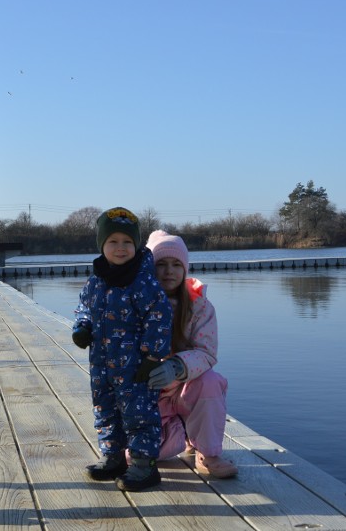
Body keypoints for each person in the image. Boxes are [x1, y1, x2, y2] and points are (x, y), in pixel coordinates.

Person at [72, 207, 173, 491]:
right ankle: (114, 457)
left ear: (137, 245)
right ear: (102, 245)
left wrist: (153, 357)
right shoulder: (95, 281)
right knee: (105, 409)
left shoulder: (144, 282)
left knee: (139, 414)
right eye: (113, 242)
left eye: (127, 242)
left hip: (136, 367)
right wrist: (81, 327)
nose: (120, 248)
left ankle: (144, 465)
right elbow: (84, 309)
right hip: (101, 364)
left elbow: (159, 317)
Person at [144, 231, 238, 478]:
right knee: (146, 453)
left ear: (185, 268)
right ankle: (179, 433)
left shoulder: (201, 306)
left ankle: (208, 454)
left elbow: (206, 353)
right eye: (161, 264)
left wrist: (176, 367)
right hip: (154, 393)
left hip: (187, 387)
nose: (169, 271)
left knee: (211, 381)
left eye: (176, 265)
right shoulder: (137, 304)